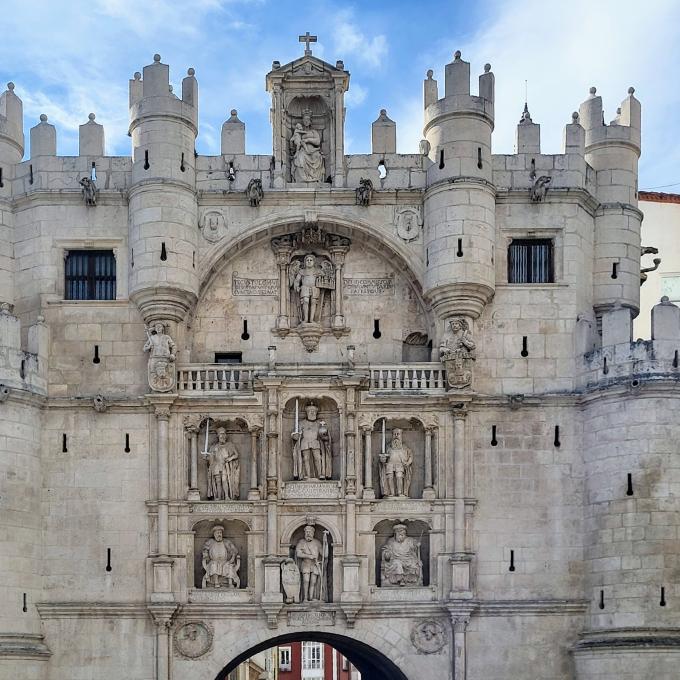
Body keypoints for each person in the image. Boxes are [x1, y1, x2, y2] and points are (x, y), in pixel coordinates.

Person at [292, 403, 332, 480]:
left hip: (315, 442)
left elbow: (325, 434)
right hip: (305, 442)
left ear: (316, 412)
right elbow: (296, 433)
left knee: (318, 458)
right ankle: (307, 475)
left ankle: (320, 474)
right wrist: (294, 436)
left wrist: (325, 436)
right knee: (306, 458)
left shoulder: (320, 423)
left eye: (314, 411)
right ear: (307, 412)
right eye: (310, 411)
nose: (312, 412)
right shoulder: (301, 423)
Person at [290, 109, 325, 183]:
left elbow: (318, 141)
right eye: (304, 119)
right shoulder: (300, 132)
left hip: (312, 150)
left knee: (317, 156)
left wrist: (308, 140)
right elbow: (296, 140)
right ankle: (302, 178)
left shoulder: (313, 132)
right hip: (303, 150)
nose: (306, 121)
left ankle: (314, 177)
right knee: (300, 157)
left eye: (307, 120)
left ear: (310, 121)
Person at [206, 427, 240, 500]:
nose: (223, 436)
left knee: (224, 480)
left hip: (225, 466)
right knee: (218, 482)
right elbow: (210, 458)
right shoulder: (214, 447)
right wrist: (207, 458)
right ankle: (219, 497)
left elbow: (236, 455)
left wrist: (230, 458)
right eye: (221, 434)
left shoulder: (230, 445)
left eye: (224, 434)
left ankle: (227, 496)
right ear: (218, 436)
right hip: (216, 466)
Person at [295, 525, 326, 601]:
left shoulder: (317, 542)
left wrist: (326, 544)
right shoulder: (301, 542)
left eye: (310, 532)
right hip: (306, 564)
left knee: (313, 582)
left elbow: (324, 554)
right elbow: (298, 554)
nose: (308, 534)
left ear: (313, 533)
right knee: (306, 580)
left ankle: (311, 598)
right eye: (307, 532)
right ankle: (305, 598)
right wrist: (309, 556)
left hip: (315, 564)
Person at [379, 428, 413, 497]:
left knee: (399, 477)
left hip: (400, 464)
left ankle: (400, 493)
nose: (396, 436)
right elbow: (383, 457)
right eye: (394, 434)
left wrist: (408, 463)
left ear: (401, 435)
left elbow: (410, 456)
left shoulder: (405, 447)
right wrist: (383, 460)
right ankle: (391, 493)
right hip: (390, 464)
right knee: (390, 477)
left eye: (398, 434)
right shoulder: (388, 447)